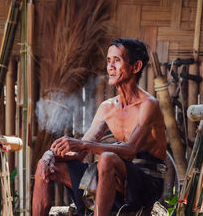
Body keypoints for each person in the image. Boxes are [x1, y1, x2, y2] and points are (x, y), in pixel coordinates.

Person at [32, 38, 167, 215]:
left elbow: (130, 150)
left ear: (136, 66)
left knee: (107, 159)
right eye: (108, 61)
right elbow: (80, 153)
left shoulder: (149, 104)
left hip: (146, 182)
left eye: (117, 60)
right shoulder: (107, 107)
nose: (110, 67)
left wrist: (83, 145)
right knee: (47, 165)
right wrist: (49, 155)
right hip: (115, 179)